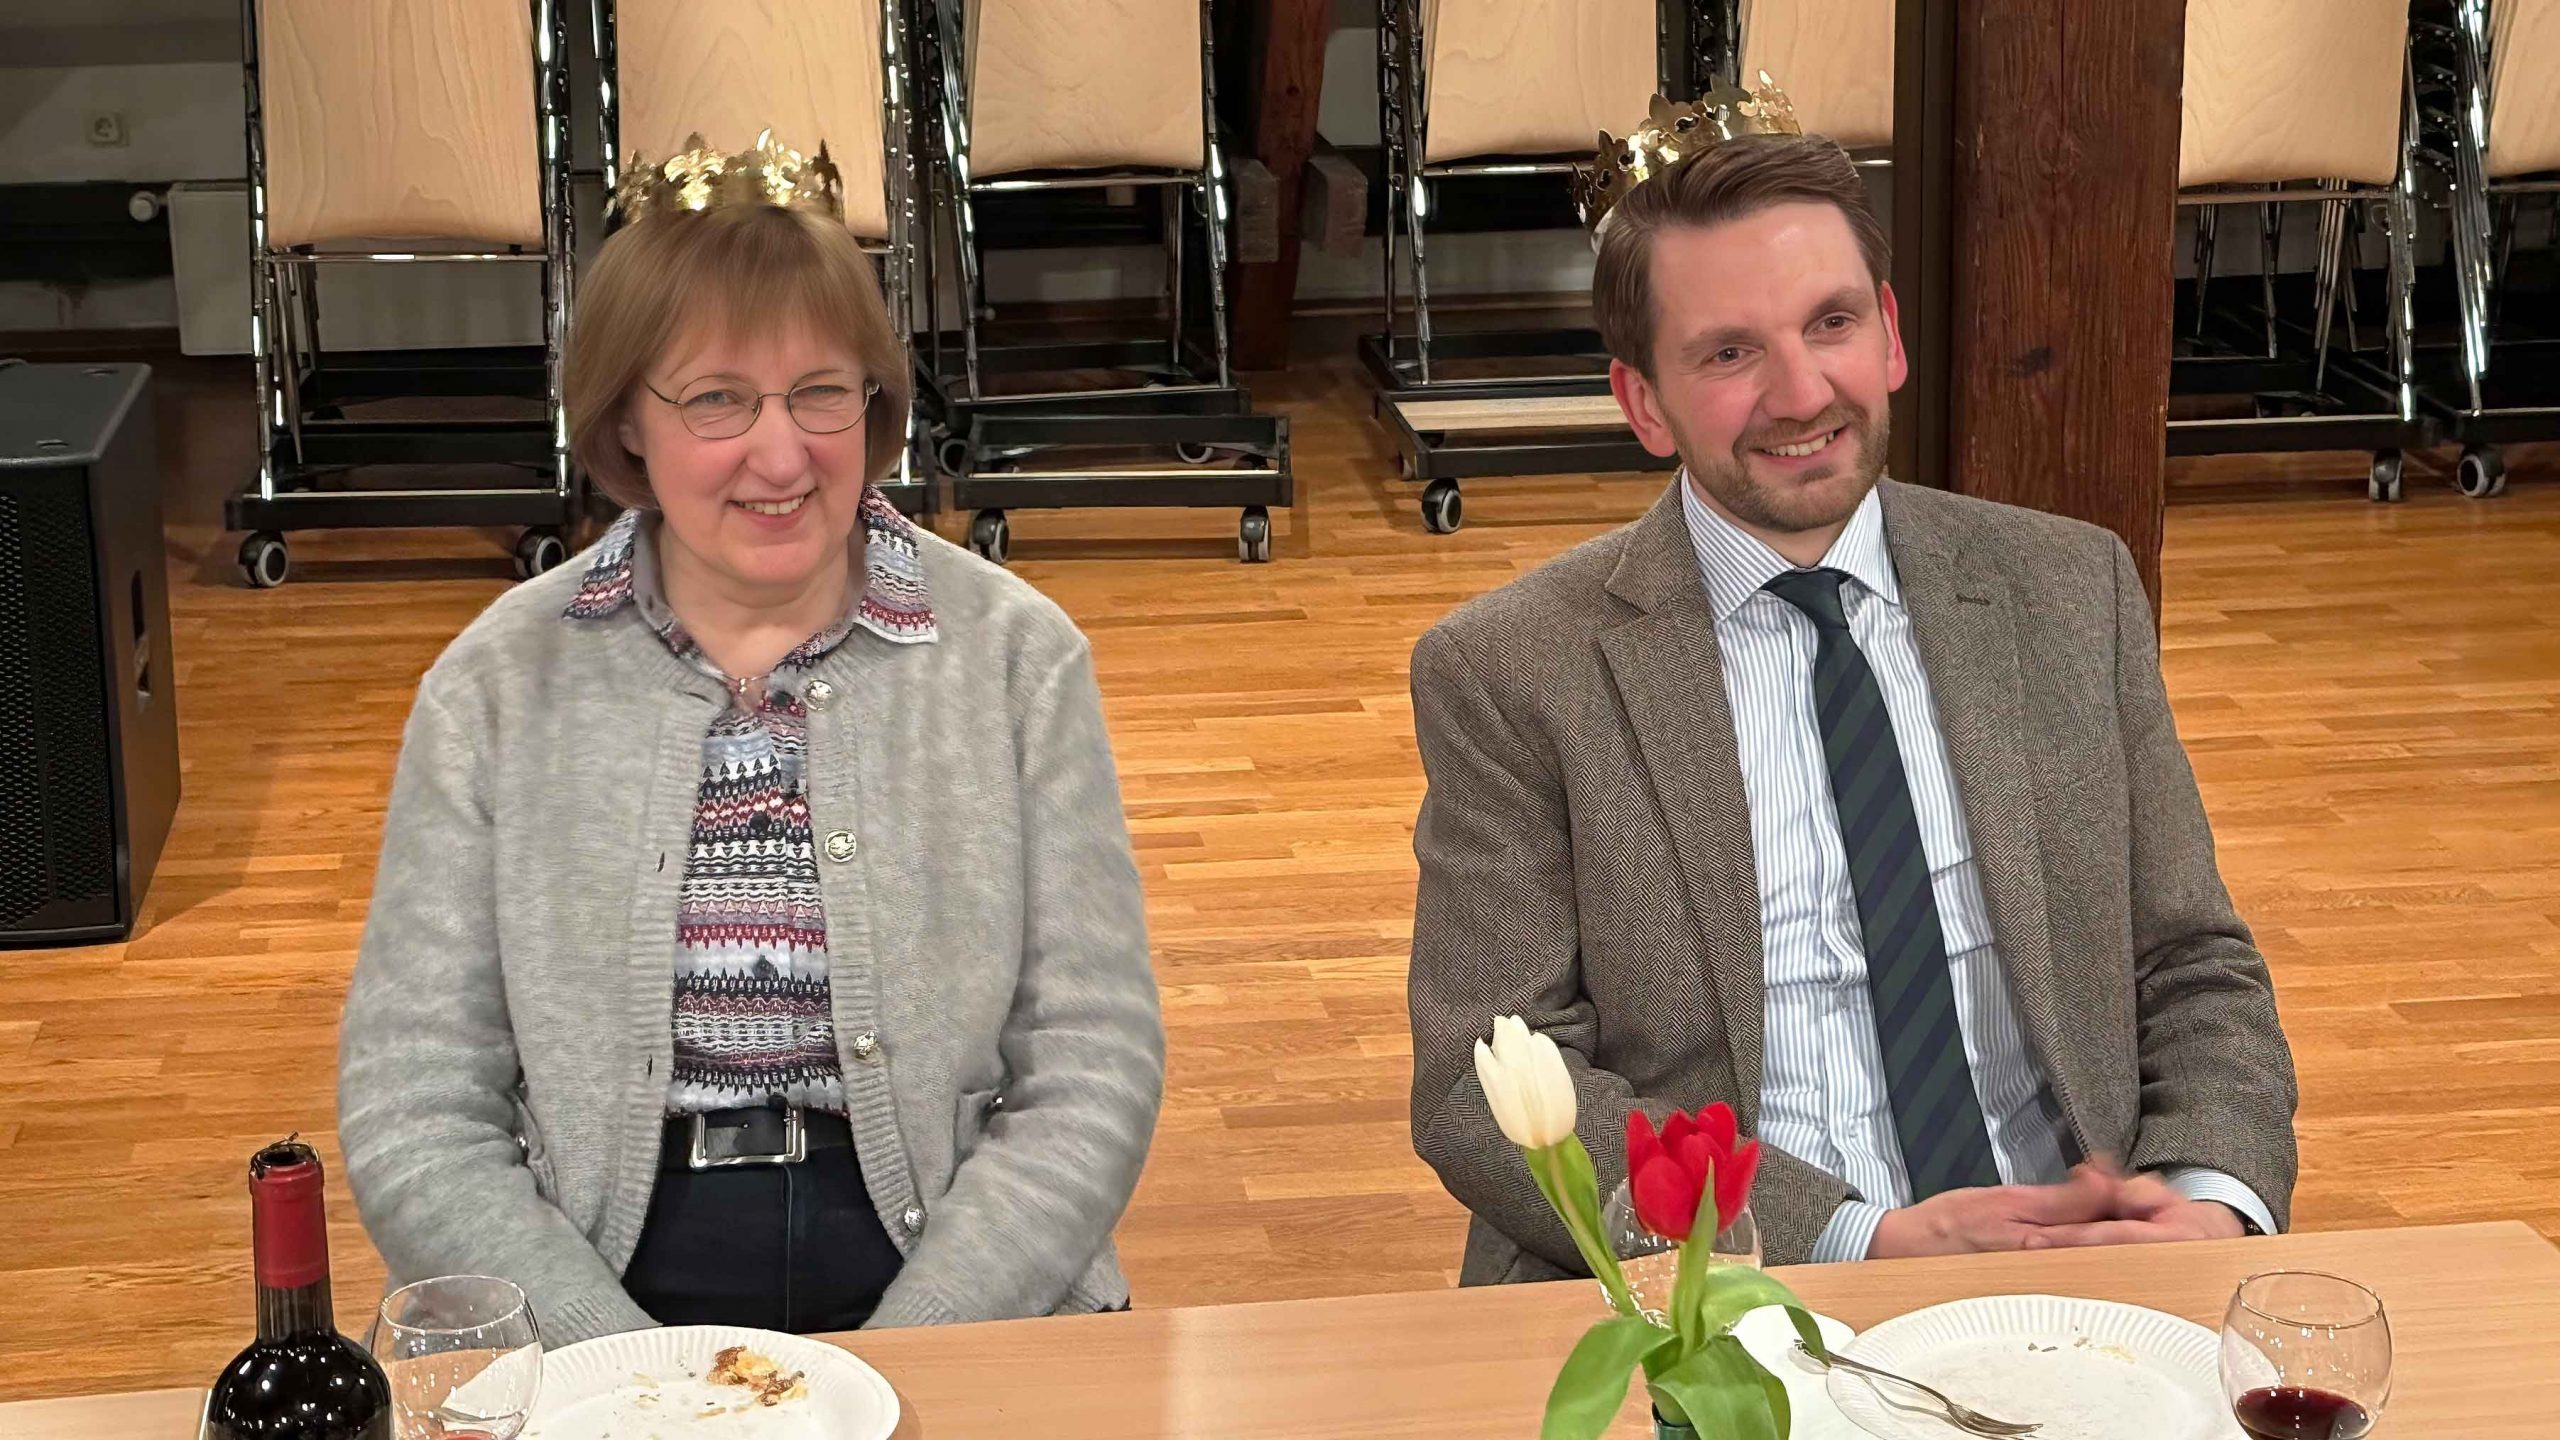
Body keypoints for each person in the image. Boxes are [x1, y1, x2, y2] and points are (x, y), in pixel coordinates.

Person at [1405, 120, 2298, 1280]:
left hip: (2077, 1262)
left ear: (1888, 333)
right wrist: (1851, 1236)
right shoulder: (1509, 670)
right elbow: (1487, 1085)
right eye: (1729, 353)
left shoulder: (2070, 588)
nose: (1800, 392)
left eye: (1829, 324)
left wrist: (2208, 1201)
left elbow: (2192, 963)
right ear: (1643, 403)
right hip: (1730, 1288)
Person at [337, 140, 1164, 1343]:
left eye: (820, 393)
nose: (781, 457)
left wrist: (921, 1351)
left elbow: (1093, 1063)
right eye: (716, 399)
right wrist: (620, 1374)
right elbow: (413, 1106)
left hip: (959, 1272)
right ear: (627, 416)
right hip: (595, 1282)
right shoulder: (496, 686)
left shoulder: (1015, 657)